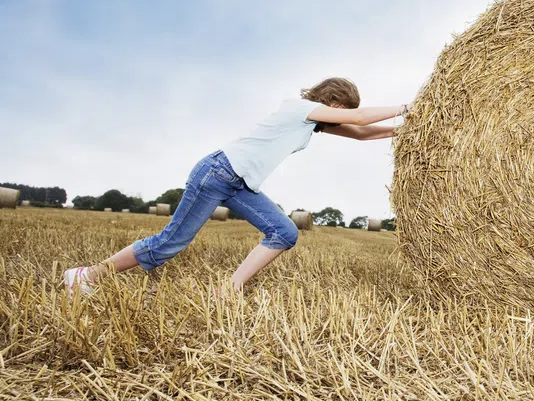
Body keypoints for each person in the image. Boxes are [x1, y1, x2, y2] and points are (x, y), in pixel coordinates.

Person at [63, 77, 409, 297]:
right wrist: (408, 106)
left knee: (284, 232)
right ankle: (86, 275)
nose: (344, 115)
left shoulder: (312, 123)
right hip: (218, 172)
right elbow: (362, 119)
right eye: (342, 110)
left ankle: (228, 290)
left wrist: (410, 127)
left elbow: (363, 133)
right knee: (170, 242)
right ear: (333, 101)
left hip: (240, 184)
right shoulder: (300, 108)